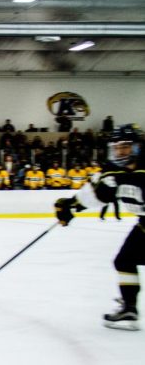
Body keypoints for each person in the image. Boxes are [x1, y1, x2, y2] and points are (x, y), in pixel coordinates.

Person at [55, 125, 143, 330]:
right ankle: (129, 308)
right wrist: (71, 206)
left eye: (126, 147)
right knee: (124, 260)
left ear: (137, 147)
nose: (121, 152)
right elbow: (97, 195)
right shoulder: (114, 171)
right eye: (117, 148)